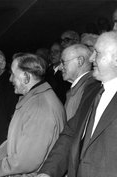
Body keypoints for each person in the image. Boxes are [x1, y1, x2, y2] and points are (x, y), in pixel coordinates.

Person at [37, 31, 117, 177]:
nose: (91, 58)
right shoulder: (92, 91)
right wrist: (47, 172)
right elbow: (70, 134)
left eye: (97, 53)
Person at [0, 53, 65, 177]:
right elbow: (18, 138)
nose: (10, 79)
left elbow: (26, 161)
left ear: (26, 77)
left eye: (13, 75)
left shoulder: (39, 107)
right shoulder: (33, 98)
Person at [60, 44, 93, 120]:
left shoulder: (88, 89)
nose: (60, 67)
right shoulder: (81, 87)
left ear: (80, 61)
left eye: (63, 62)